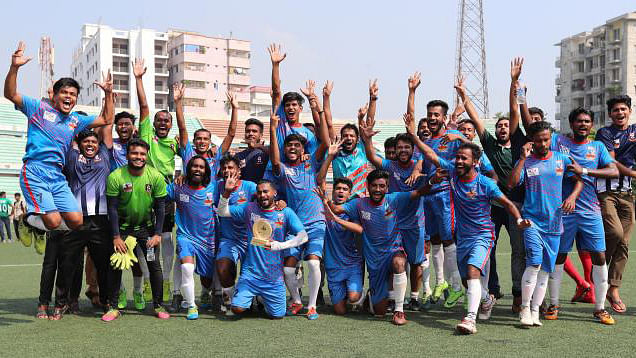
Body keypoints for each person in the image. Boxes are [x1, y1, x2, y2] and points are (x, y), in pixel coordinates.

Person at [407, 115, 528, 334]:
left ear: (475, 162)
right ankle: (487, 299)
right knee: (466, 280)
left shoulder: (484, 183)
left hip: (483, 235)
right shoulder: (452, 173)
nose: (459, 161)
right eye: (457, 158)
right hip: (463, 237)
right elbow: (431, 155)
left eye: (463, 158)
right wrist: (414, 136)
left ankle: (470, 319)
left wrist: (518, 220)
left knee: (473, 272)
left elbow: (508, 203)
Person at [4, 41, 113, 235]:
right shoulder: (37, 108)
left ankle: (38, 224)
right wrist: (14, 67)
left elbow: (107, 118)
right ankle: (27, 221)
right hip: (35, 171)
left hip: (56, 176)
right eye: (64, 92)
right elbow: (10, 94)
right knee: (53, 222)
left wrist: (109, 93)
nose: (68, 96)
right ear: (54, 95)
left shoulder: (75, 120)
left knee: (76, 220)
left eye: (73, 94)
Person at [324, 169, 430, 325]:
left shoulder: (394, 199)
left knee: (399, 263)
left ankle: (399, 311)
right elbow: (337, 209)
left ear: (387, 188)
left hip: (394, 251)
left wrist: (433, 181)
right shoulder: (359, 204)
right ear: (368, 186)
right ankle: (371, 298)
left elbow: (419, 193)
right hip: (375, 262)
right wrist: (325, 200)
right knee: (379, 312)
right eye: (374, 186)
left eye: (382, 186)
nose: (378, 189)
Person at [545, 108, 618, 325]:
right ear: (571, 123)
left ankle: (600, 308)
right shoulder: (558, 141)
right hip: (563, 211)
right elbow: (535, 129)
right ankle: (554, 304)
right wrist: (519, 95)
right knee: (558, 256)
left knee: (600, 256)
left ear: (592, 125)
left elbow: (613, 171)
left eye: (587, 121)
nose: (583, 125)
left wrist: (585, 172)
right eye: (578, 121)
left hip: (590, 211)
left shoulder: (597, 147)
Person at [508, 120, 583, 327]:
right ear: (532, 141)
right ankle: (524, 309)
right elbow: (512, 183)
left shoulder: (561, 159)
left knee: (546, 270)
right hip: (532, 222)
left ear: (551, 138)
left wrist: (573, 197)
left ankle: (535, 311)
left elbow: (579, 179)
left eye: (546, 139)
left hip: (555, 223)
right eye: (539, 140)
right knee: (534, 263)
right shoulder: (526, 161)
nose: (543, 143)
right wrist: (522, 159)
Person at [360, 111, 426, 311]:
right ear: (395, 150)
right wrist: (367, 139)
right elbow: (371, 155)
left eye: (407, 147)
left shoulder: (420, 164)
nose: (403, 150)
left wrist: (420, 169)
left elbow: (428, 158)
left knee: (415, 262)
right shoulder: (390, 166)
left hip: (415, 222)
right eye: (400, 148)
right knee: (394, 261)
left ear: (413, 149)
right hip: (393, 223)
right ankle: (391, 298)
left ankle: (414, 297)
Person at [135, 59, 189, 304]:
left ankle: (166, 280)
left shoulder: (174, 142)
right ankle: (148, 279)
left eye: (167, 121)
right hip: (145, 192)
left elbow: (188, 153)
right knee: (146, 239)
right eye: (160, 120)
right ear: (154, 124)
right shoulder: (147, 134)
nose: (163, 123)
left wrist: (182, 174)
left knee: (166, 238)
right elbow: (144, 106)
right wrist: (138, 79)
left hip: (166, 195)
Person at [217, 178, 308, 319]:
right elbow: (223, 212)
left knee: (278, 315)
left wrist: (281, 245)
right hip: (251, 275)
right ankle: (246, 296)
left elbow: (303, 236)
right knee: (237, 309)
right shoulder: (249, 208)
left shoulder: (285, 212)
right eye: (259, 192)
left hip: (273, 278)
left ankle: (262, 299)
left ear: (274, 193)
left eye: (266, 191)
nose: (262, 195)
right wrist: (227, 193)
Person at [269, 105, 329, 320]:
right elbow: (274, 160)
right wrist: (273, 129)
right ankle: (295, 300)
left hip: (316, 223)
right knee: (287, 269)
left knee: (313, 262)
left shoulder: (311, 163)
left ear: (304, 149)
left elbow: (324, 142)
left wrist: (318, 105)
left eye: (297, 145)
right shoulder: (283, 169)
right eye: (289, 145)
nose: (293, 148)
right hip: (295, 226)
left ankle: (311, 305)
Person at [102, 60, 152, 311]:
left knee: (139, 258)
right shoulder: (111, 147)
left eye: (127, 124)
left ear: (133, 127)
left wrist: (138, 79)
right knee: (118, 255)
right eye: (120, 124)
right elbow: (107, 123)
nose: (123, 127)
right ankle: (119, 293)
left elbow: (144, 108)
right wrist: (108, 95)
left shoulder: (139, 144)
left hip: (140, 205)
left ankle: (138, 291)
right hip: (116, 206)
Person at [58, 129, 118, 321]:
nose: (90, 144)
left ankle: (106, 301)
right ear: (80, 144)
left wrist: (108, 97)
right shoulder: (73, 157)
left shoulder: (105, 156)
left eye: (94, 141)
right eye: (86, 142)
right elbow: (69, 136)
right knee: (68, 263)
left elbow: (107, 127)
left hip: (100, 221)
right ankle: (62, 302)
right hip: (76, 220)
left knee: (103, 265)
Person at [106, 138, 169, 319]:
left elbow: (160, 207)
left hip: (146, 230)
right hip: (123, 230)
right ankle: (113, 306)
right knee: (115, 265)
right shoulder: (115, 176)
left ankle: (158, 305)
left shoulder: (155, 177)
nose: (138, 157)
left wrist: (157, 234)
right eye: (134, 153)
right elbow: (112, 209)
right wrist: (116, 236)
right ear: (127, 155)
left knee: (154, 265)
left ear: (147, 156)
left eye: (142, 154)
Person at [594, 94, 635, 314]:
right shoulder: (605, 133)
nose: (620, 113)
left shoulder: (635, 131)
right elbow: (612, 164)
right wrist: (632, 172)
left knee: (625, 245)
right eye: (616, 110)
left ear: (629, 111)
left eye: (623, 109)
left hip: (628, 194)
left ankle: (613, 289)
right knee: (616, 234)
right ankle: (598, 265)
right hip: (606, 192)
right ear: (610, 114)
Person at [166, 156, 216, 320]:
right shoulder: (178, 186)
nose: (197, 169)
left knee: (207, 277)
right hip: (185, 236)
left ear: (206, 171)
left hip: (207, 239)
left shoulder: (213, 188)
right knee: (187, 268)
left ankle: (206, 293)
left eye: (201, 167)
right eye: (194, 166)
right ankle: (191, 305)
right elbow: (159, 194)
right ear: (189, 169)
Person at [214, 154, 257, 314]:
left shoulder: (250, 187)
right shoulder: (217, 186)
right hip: (229, 239)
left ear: (239, 170)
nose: (227, 170)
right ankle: (229, 301)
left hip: (250, 240)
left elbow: (266, 201)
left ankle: (254, 299)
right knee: (223, 267)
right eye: (224, 168)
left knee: (251, 274)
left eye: (231, 167)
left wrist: (280, 202)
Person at [315, 179, 364, 315]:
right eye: (338, 188)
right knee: (340, 311)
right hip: (333, 266)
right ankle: (342, 293)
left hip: (352, 264)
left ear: (349, 194)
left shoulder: (352, 211)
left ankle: (361, 294)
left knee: (353, 298)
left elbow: (360, 229)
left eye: (345, 189)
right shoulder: (323, 209)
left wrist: (336, 219)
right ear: (333, 192)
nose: (341, 191)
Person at [235, 118, 269, 183]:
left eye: (254, 131)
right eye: (248, 131)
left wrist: (259, 146)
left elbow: (276, 158)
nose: (250, 133)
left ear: (261, 135)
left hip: (261, 191)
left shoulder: (266, 152)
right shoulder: (238, 156)